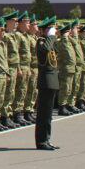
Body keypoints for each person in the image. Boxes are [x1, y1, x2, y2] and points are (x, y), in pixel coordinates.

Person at [34, 18, 60, 151]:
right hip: (46, 80)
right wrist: (50, 36)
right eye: (49, 29)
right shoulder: (41, 41)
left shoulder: (50, 41)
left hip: (52, 79)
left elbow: (56, 50)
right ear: (44, 31)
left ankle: (46, 139)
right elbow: (46, 50)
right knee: (43, 114)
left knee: (48, 114)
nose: (52, 32)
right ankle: (41, 141)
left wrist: (54, 36)